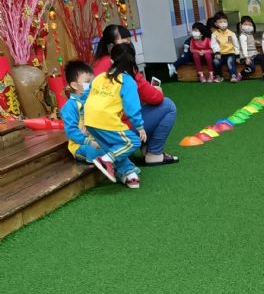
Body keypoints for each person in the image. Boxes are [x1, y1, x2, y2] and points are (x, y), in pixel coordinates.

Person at [92, 24, 178, 165]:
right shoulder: (124, 68)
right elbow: (154, 97)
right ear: (112, 45)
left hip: (97, 128)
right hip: (118, 128)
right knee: (168, 106)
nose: (129, 44)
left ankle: (144, 149)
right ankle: (154, 153)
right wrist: (156, 91)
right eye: (125, 41)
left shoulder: (97, 66)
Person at [83, 45, 147, 189]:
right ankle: (106, 160)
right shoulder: (127, 80)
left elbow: (86, 96)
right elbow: (132, 107)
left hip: (90, 120)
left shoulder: (99, 77)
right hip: (107, 120)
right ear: (133, 62)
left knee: (113, 147)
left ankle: (127, 173)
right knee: (133, 142)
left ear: (111, 61)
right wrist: (139, 127)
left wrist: (83, 118)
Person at [61, 59, 116, 181]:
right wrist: (89, 142)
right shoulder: (70, 106)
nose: (91, 85)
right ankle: (107, 164)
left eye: (93, 81)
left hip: (98, 139)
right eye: (87, 82)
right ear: (75, 85)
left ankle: (122, 169)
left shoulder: (93, 100)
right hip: (80, 145)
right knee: (92, 151)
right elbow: (71, 132)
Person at [209, 12, 240, 82]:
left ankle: (233, 76)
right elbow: (214, 44)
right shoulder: (214, 34)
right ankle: (219, 76)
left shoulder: (231, 33)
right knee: (215, 61)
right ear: (216, 24)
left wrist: (237, 56)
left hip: (230, 53)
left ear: (227, 22)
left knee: (230, 61)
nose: (223, 23)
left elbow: (236, 45)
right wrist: (217, 53)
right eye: (220, 22)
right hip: (220, 54)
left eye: (224, 21)